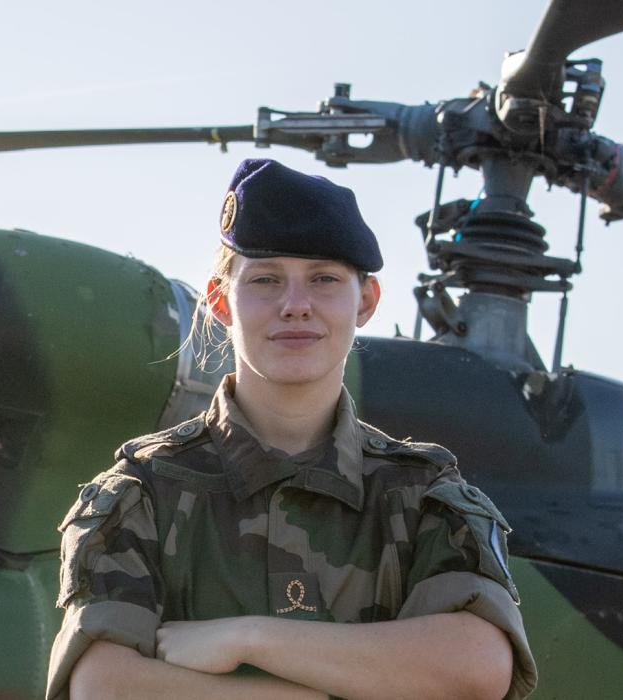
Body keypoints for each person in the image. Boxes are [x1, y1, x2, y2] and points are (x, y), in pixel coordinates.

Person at [46, 158, 537, 699]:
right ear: (219, 301)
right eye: (265, 280)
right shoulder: (142, 491)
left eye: (324, 279)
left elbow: (474, 669)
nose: (295, 306)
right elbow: (103, 686)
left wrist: (249, 638)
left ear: (366, 302)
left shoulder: (424, 496)